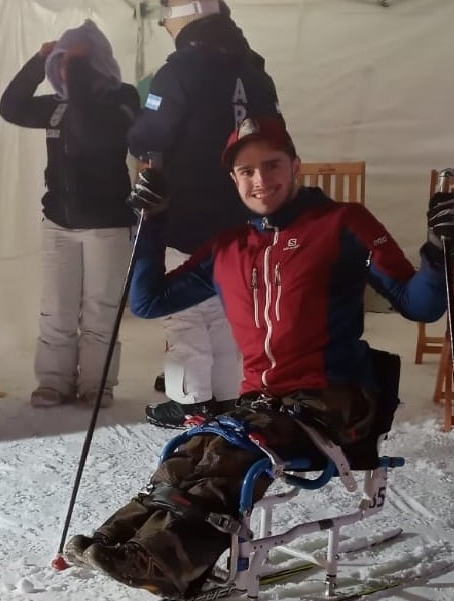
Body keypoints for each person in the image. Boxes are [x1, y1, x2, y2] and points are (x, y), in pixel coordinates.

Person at [62, 116, 454, 598]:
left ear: (295, 166)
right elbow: (149, 301)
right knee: (194, 448)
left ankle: (166, 559)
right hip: (265, 401)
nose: (261, 180)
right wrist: (152, 223)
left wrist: (440, 254)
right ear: (233, 180)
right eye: (246, 171)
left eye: (272, 165)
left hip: (335, 397)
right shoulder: (227, 247)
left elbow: (419, 303)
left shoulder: (343, 223)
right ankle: (124, 538)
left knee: (240, 448)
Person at [128, 0, 283, 428]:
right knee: (229, 310)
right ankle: (227, 396)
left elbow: (149, 136)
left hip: (190, 218)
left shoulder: (181, 69)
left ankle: (191, 401)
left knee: (187, 316)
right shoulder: (255, 72)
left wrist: (135, 124)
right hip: (248, 219)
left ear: (188, 15)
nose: (163, 26)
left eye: (167, 18)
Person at [0, 20, 139, 408]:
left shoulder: (123, 99)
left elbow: (93, 130)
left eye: (74, 64)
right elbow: (10, 108)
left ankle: (97, 385)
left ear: (98, 64)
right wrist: (37, 61)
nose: (65, 71)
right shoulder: (57, 106)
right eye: (60, 64)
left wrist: (75, 73)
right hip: (59, 223)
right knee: (56, 308)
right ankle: (54, 381)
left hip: (108, 226)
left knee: (100, 311)